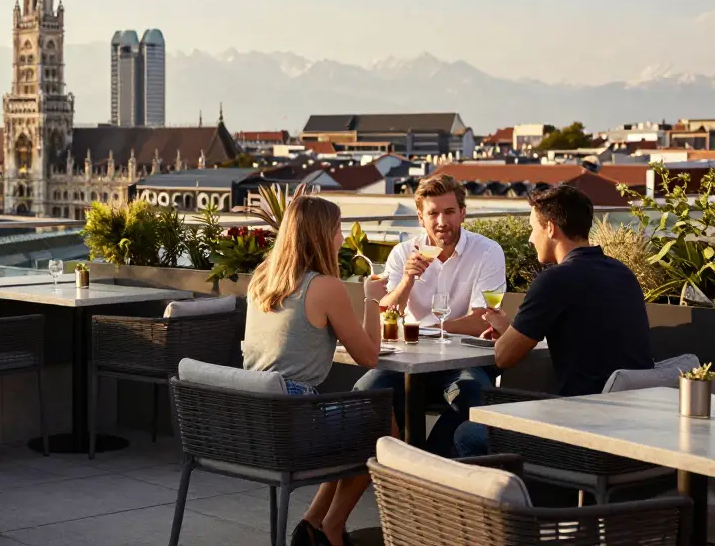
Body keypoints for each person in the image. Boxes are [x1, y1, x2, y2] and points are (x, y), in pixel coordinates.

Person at [454, 184, 653, 456]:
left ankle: (512, 498)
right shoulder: (622, 273)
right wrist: (513, 330)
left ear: (550, 228)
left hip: (580, 428)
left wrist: (507, 331)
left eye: (532, 228)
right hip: (633, 425)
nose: (530, 238)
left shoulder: (556, 279)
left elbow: (503, 357)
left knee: (468, 432)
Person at [243, 194, 391, 546]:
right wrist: (372, 297)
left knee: (362, 415)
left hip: (252, 417)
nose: (341, 238)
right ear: (321, 234)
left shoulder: (263, 278)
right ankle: (331, 527)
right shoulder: (324, 286)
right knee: (383, 426)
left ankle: (312, 525)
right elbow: (369, 356)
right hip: (293, 422)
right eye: (337, 229)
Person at [351, 173, 507, 456]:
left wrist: (431, 329)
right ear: (421, 218)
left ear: (462, 214)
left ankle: (429, 466)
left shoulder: (487, 252)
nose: (442, 222)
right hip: (408, 360)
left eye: (449, 212)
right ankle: (392, 471)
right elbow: (385, 312)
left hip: (462, 360)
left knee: (477, 398)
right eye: (433, 213)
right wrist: (407, 281)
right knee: (367, 392)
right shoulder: (402, 253)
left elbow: (482, 318)